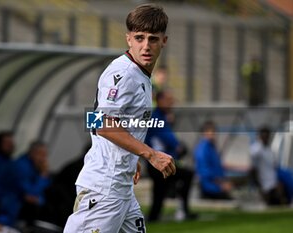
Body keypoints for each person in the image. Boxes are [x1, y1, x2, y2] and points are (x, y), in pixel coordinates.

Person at [63, 4, 176, 233]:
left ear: (164, 41)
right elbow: (101, 123)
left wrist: (131, 157)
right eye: (139, 38)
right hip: (105, 190)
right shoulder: (124, 74)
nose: (146, 46)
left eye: (153, 39)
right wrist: (149, 153)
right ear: (128, 39)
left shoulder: (140, 75)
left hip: (121, 188)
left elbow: (99, 120)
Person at [145, 89, 196, 222]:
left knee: (159, 190)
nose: (171, 103)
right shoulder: (157, 117)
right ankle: (182, 209)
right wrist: (179, 147)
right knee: (186, 175)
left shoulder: (161, 116)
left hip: (157, 162)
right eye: (169, 100)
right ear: (160, 101)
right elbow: (169, 140)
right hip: (157, 163)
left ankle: (154, 216)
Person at [250, 127, 293, 206]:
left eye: (267, 136)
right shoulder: (257, 148)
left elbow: (274, 165)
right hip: (265, 183)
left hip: (273, 180)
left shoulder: (268, 150)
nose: (265, 138)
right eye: (263, 136)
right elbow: (252, 162)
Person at [194, 121, 233, 200]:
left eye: (213, 131)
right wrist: (221, 183)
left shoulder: (212, 147)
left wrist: (224, 181)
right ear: (204, 133)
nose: (212, 134)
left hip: (217, 185)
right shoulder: (203, 148)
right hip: (210, 187)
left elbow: (217, 167)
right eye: (209, 131)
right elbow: (205, 171)